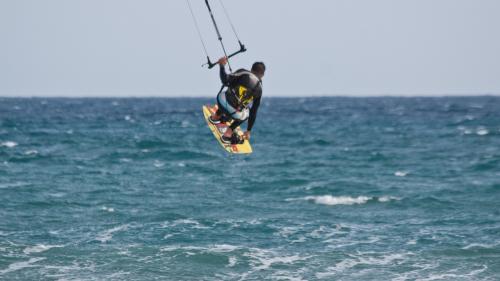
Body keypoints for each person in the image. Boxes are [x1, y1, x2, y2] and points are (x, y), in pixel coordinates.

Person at [209, 57, 265, 144]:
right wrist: (248, 131)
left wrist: (222, 66)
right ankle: (227, 134)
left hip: (221, 101)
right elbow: (253, 112)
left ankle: (215, 117)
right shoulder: (260, 90)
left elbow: (225, 81)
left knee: (229, 91)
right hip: (234, 113)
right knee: (247, 112)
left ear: (251, 69)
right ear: (262, 75)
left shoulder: (243, 72)